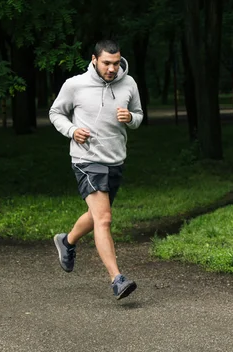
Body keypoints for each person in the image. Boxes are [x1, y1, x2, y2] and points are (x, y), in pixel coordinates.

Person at [49, 40, 143, 300]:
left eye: (115, 63)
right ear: (94, 60)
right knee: (104, 219)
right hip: (86, 159)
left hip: (115, 160)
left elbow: (139, 115)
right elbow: (56, 112)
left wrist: (131, 119)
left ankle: (66, 241)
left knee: (96, 215)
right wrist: (72, 130)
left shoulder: (129, 84)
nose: (112, 68)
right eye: (106, 63)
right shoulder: (75, 85)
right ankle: (117, 278)